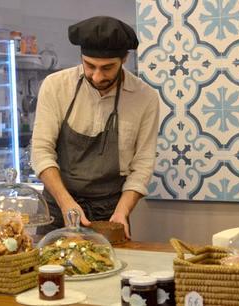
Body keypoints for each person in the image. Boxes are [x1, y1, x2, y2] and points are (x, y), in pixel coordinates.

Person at [31, 16, 159, 239]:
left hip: (109, 213)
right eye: (90, 66)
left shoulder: (145, 97)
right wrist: (66, 203)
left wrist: (123, 211)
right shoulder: (56, 86)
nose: (97, 76)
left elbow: (143, 164)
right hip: (58, 206)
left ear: (124, 59)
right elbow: (41, 151)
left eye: (107, 68)